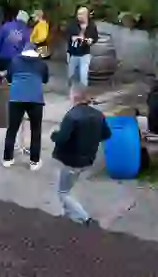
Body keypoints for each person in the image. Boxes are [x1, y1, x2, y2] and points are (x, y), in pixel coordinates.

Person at [51, 84, 112, 226]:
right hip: (88, 159)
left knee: (63, 192)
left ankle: (85, 218)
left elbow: (62, 138)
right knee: (68, 186)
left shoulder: (71, 116)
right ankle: (66, 215)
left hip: (71, 160)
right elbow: (106, 134)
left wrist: (54, 135)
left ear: (74, 96)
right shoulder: (99, 115)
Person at [3, 43, 50, 170]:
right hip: (35, 99)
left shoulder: (15, 61)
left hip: (16, 98)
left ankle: (7, 159)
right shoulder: (41, 64)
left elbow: (9, 78)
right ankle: (34, 162)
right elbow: (45, 80)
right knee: (36, 130)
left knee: (12, 129)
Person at [65, 6, 98, 88]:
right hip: (73, 53)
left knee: (83, 75)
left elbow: (95, 37)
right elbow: (67, 35)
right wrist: (72, 38)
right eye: (78, 14)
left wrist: (91, 41)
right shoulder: (73, 25)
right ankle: (73, 92)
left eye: (80, 14)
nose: (78, 16)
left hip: (85, 54)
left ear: (86, 15)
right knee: (71, 75)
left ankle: (82, 94)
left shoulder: (91, 26)